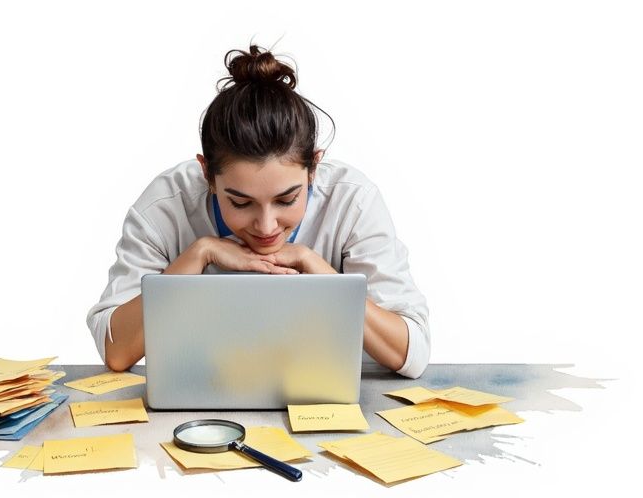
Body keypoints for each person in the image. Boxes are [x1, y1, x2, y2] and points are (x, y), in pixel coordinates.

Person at [86, 44, 430, 378]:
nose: (266, 226)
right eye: (240, 202)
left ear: (313, 169)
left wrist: (319, 271)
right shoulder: (165, 206)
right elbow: (115, 350)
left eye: (287, 199)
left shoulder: (353, 201)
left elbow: (411, 353)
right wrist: (197, 255)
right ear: (207, 174)